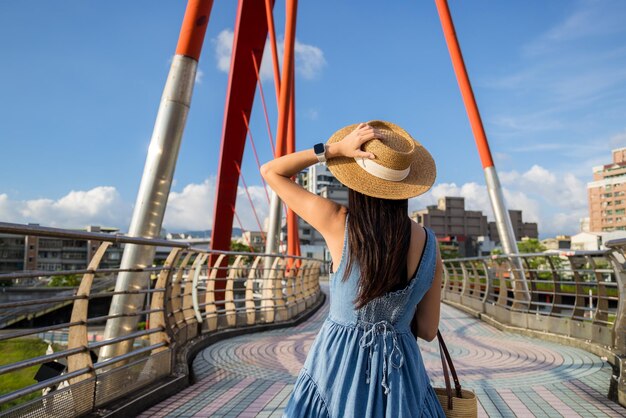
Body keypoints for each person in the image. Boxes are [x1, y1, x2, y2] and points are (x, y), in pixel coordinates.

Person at [260, 120, 446, 417]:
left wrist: (334, 150)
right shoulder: (430, 245)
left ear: (357, 180)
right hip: (402, 382)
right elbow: (427, 330)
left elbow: (271, 171)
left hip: (338, 372)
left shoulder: (338, 222)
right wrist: (394, 318)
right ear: (406, 188)